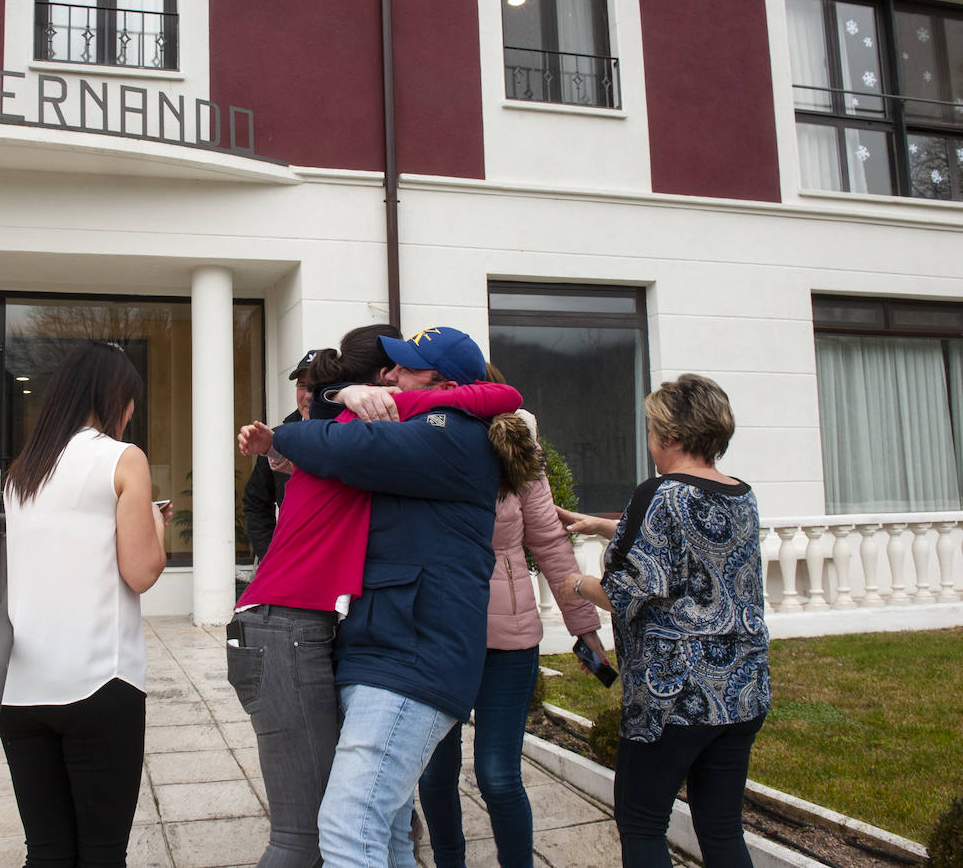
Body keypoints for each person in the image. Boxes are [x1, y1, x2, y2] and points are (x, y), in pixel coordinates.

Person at [230, 324, 522, 868]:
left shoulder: (450, 434)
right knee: (385, 835)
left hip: (414, 658)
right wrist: (340, 392)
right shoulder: (432, 419)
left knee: (347, 828)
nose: (390, 376)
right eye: (386, 366)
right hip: (382, 646)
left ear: (437, 383)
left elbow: (348, 445)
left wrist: (279, 438)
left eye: (405, 368)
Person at [559, 373, 770, 868]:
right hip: (741, 688)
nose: (649, 439)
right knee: (721, 830)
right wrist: (605, 525)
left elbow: (624, 593)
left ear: (671, 437)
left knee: (641, 823)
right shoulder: (740, 493)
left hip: (673, 698)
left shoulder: (658, 495)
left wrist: (573, 583)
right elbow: (695, 544)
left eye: (652, 429)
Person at [0, 341, 171, 868]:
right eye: (132, 400)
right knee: (100, 854)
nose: (133, 412)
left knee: (47, 853)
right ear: (116, 396)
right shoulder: (122, 458)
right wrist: (157, 526)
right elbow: (141, 572)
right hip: (100, 682)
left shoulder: (20, 470)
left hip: (20, 690)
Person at [417, 385, 605, 868]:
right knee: (435, 772)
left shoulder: (518, 452)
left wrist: (585, 631)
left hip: (510, 640)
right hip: (438, 637)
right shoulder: (419, 442)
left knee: (498, 775)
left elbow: (550, 544)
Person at [241, 349, 321, 564]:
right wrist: (271, 556)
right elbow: (255, 502)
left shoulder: (353, 432)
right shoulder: (276, 437)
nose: (308, 395)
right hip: (290, 568)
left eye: (316, 386)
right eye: (302, 386)